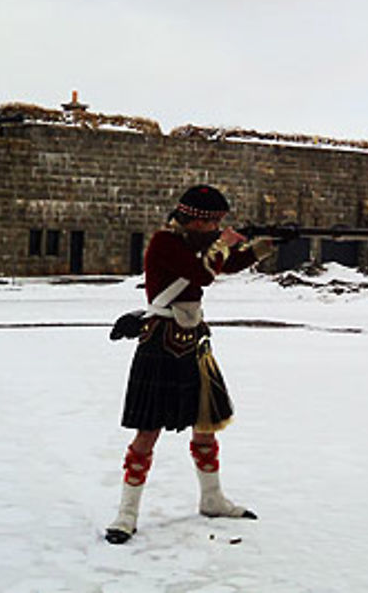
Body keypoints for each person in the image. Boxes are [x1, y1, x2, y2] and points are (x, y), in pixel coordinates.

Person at [105, 185, 273, 545]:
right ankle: (127, 514)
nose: (216, 229)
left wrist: (266, 244)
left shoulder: (194, 244)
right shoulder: (165, 243)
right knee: (148, 431)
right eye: (213, 223)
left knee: (205, 423)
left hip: (193, 337)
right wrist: (223, 243)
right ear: (195, 220)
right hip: (161, 341)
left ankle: (211, 498)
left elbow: (228, 263)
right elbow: (203, 274)